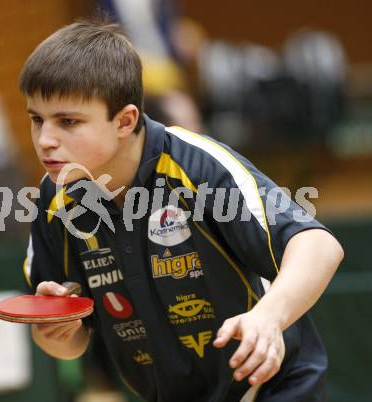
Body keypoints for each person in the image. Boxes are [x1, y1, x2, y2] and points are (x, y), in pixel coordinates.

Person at [19, 19, 344, 402]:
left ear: (125, 121)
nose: (45, 140)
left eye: (68, 121)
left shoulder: (197, 167)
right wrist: (57, 331)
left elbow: (319, 246)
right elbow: (70, 345)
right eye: (36, 119)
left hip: (272, 389)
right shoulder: (55, 200)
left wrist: (268, 318)